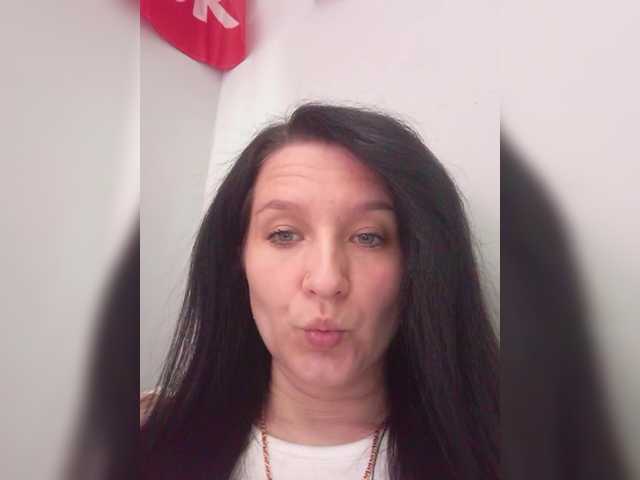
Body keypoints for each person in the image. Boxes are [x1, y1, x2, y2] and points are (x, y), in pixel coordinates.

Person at [140, 103, 499, 480]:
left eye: (368, 237)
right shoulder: (146, 446)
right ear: (238, 257)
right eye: (284, 234)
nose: (326, 281)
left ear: (419, 263)